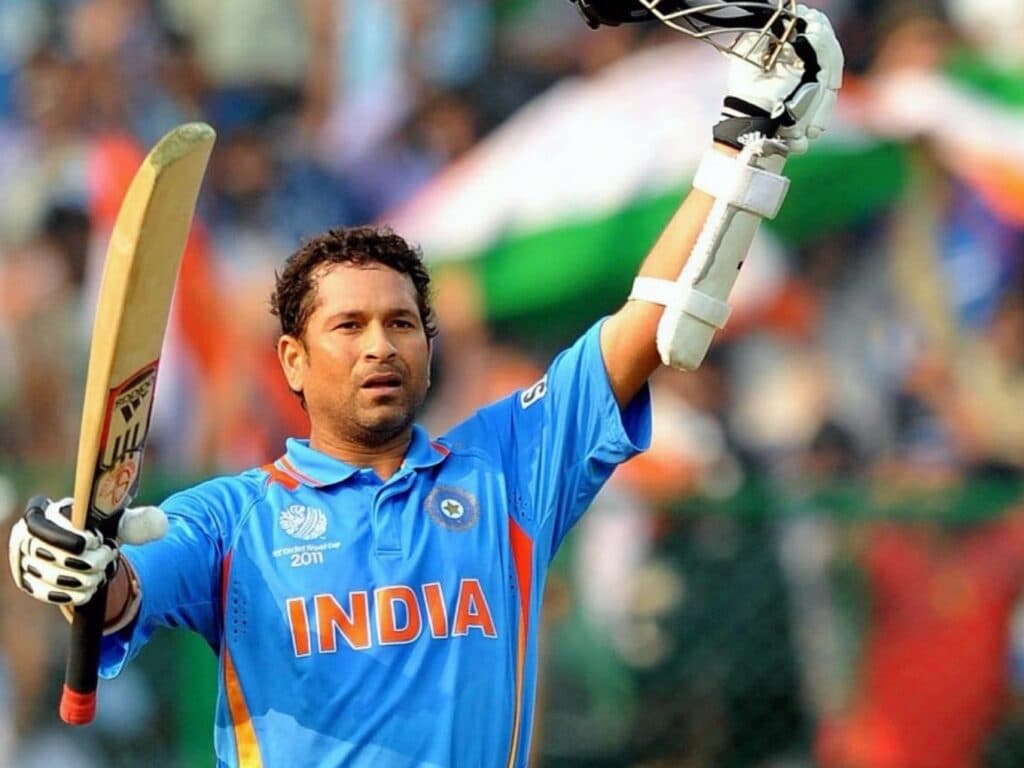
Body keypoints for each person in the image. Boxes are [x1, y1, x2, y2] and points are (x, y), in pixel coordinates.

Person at [7, 5, 843, 766]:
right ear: (292, 360)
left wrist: (746, 143)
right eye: (348, 326)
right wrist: (77, 564)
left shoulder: (508, 468)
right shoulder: (231, 518)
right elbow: (125, 591)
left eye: (401, 323)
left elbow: (654, 323)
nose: (381, 345)